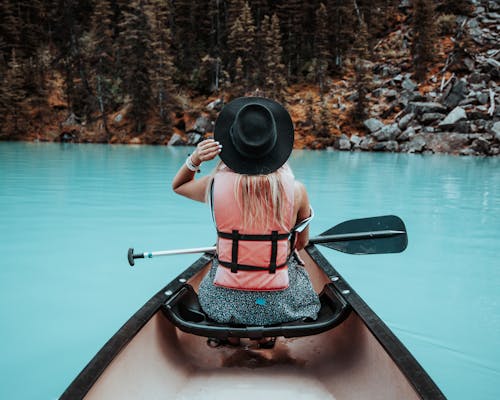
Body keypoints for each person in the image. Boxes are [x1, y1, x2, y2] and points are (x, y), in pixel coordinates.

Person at [172, 97, 320, 346]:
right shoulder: (297, 191)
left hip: (221, 303)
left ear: (232, 146)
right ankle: (268, 335)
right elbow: (300, 245)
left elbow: (179, 186)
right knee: (295, 270)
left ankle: (229, 334)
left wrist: (194, 159)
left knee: (219, 269)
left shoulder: (214, 185)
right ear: (275, 147)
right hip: (279, 306)